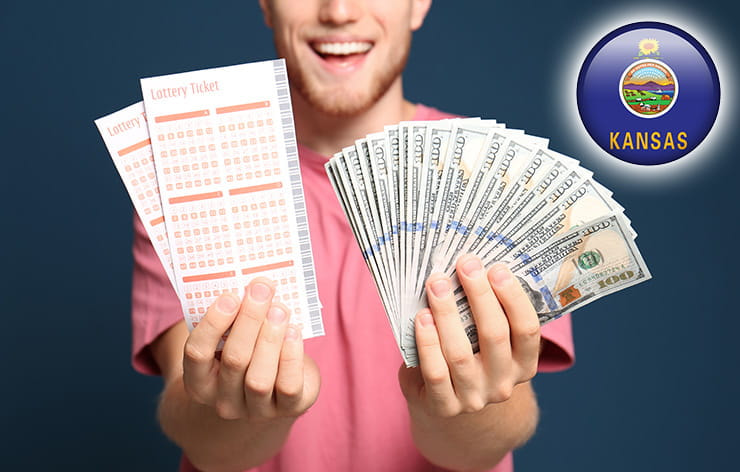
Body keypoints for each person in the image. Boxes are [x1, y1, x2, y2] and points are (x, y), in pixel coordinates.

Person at [131, 1, 575, 471]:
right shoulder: (191, 176)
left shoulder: (498, 174)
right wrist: (253, 409)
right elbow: (207, 445)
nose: (339, 11)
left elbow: (485, 445)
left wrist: (454, 404)